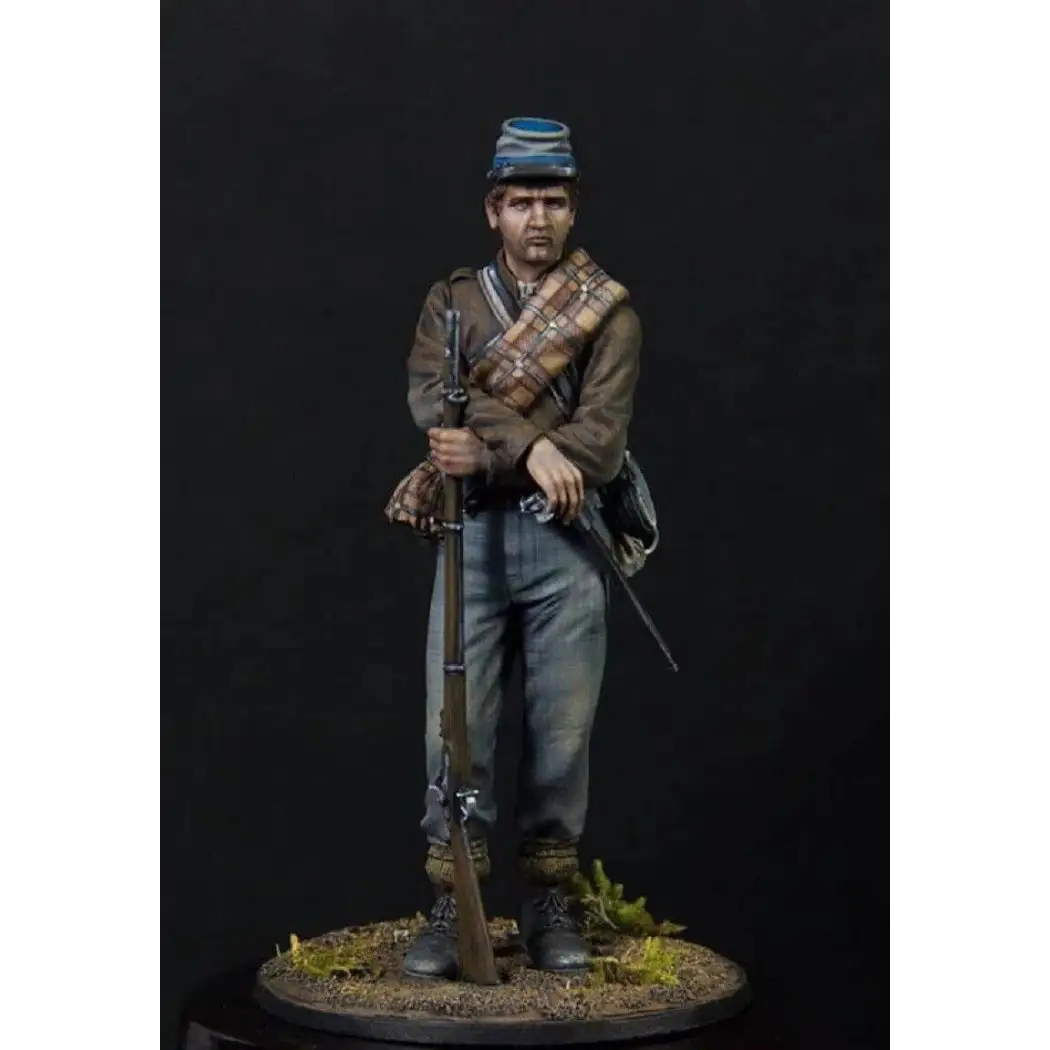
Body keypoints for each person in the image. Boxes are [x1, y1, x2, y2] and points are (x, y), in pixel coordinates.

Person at [384, 116, 643, 980]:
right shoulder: (452, 303)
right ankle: (449, 901)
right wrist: (528, 447)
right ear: (493, 209)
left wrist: (497, 448)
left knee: (562, 733)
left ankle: (549, 900)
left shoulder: (607, 313)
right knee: (453, 731)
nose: (539, 217)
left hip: (567, 544)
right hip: (473, 539)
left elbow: (599, 443)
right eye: (523, 201)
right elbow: (434, 398)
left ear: (573, 210)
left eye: (554, 201)